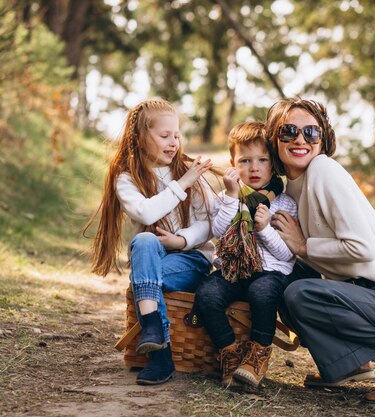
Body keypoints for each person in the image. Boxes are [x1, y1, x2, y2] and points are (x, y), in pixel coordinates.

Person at [265, 98, 375, 407]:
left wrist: (303, 246)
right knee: (282, 282)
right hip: (364, 297)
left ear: (322, 138)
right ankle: (355, 363)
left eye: (311, 132)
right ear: (273, 139)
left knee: (300, 293)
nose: (300, 139)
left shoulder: (323, 170)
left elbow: (362, 249)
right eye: (288, 131)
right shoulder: (290, 190)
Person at [86, 98, 215, 386]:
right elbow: (146, 212)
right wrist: (181, 185)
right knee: (144, 240)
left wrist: (180, 240)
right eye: (164, 135)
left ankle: (156, 349)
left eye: (177, 136)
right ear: (141, 137)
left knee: (144, 280)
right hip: (152, 260)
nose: (173, 142)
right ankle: (157, 339)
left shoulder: (187, 170)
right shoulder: (127, 178)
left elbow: (208, 224)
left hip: (191, 260)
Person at [195, 121, 297, 388]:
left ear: (273, 163)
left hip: (270, 273)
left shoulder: (284, 203)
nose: (254, 168)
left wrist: (264, 229)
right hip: (233, 269)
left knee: (262, 293)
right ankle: (230, 352)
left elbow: (287, 255)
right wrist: (230, 196)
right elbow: (217, 231)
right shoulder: (228, 196)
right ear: (232, 162)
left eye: (262, 159)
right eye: (245, 160)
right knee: (207, 293)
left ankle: (257, 355)